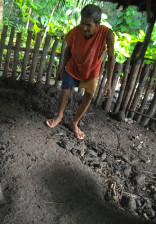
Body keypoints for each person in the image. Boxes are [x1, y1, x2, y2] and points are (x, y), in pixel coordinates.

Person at [44, 4, 116, 140]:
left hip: (91, 70)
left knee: (88, 97)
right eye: (82, 23)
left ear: (98, 24)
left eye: (88, 25)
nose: (84, 28)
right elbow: (68, 49)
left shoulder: (107, 34)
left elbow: (112, 58)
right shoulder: (75, 31)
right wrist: (62, 66)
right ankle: (59, 116)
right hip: (74, 66)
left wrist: (109, 82)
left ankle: (74, 123)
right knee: (64, 91)